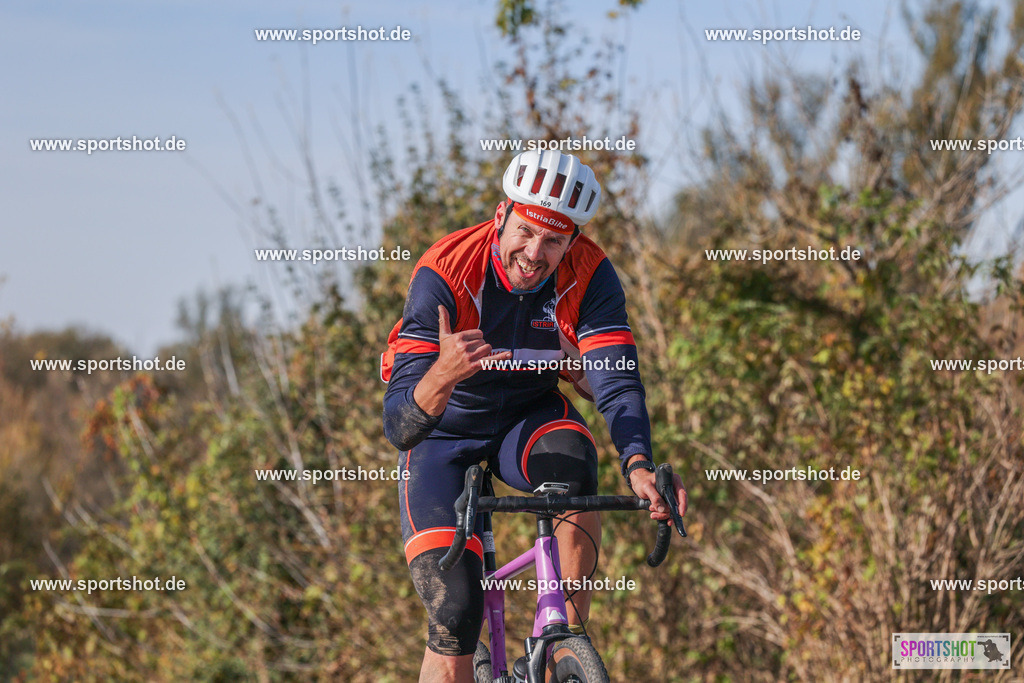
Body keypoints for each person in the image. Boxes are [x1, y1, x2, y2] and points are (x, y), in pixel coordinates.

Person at [381, 149, 687, 682]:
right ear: (501, 216)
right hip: (443, 433)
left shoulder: (590, 273)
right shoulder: (447, 269)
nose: (534, 253)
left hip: (527, 415)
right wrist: (443, 372)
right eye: (525, 231)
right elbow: (401, 424)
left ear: (571, 241)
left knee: (573, 463)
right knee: (455, 614)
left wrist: (638, 463)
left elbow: (616, 380)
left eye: (553, 240)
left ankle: (562, 643)